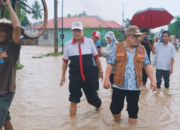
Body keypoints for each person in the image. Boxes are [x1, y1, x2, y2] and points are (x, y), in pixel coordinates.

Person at [103, 26, 156, 123]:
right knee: (115, 109)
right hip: (119, 85)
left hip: (135, 86)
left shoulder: (142, 49)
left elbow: (147, 65)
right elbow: (110, 64)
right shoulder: (117, 47)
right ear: (127, 36)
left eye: (138, 36)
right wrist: (106, 79)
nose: (138, 39)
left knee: (133, 111)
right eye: (135, 36)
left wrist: (153, 80)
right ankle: (117, 125)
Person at [60, 22, 103, 117]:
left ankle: (98, 106)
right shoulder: (67, 45)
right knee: (73, 100)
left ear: (82, 31)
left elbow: (96, 57)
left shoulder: (89, 42)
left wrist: (100, 71)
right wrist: (63, 76)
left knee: (92, 99)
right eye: (74, 30)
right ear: (71, 31)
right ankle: (73, 124)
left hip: (89, 77)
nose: (77, 32)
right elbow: (65, 61)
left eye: (79, 30)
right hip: (74, 77)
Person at [0, 0, 24, 130]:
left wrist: (8, 5)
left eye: (2, 31)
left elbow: (16, 28)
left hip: (5, 91)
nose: (0, 33)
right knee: (6, 120)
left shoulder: (12, 47)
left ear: (8, 33)